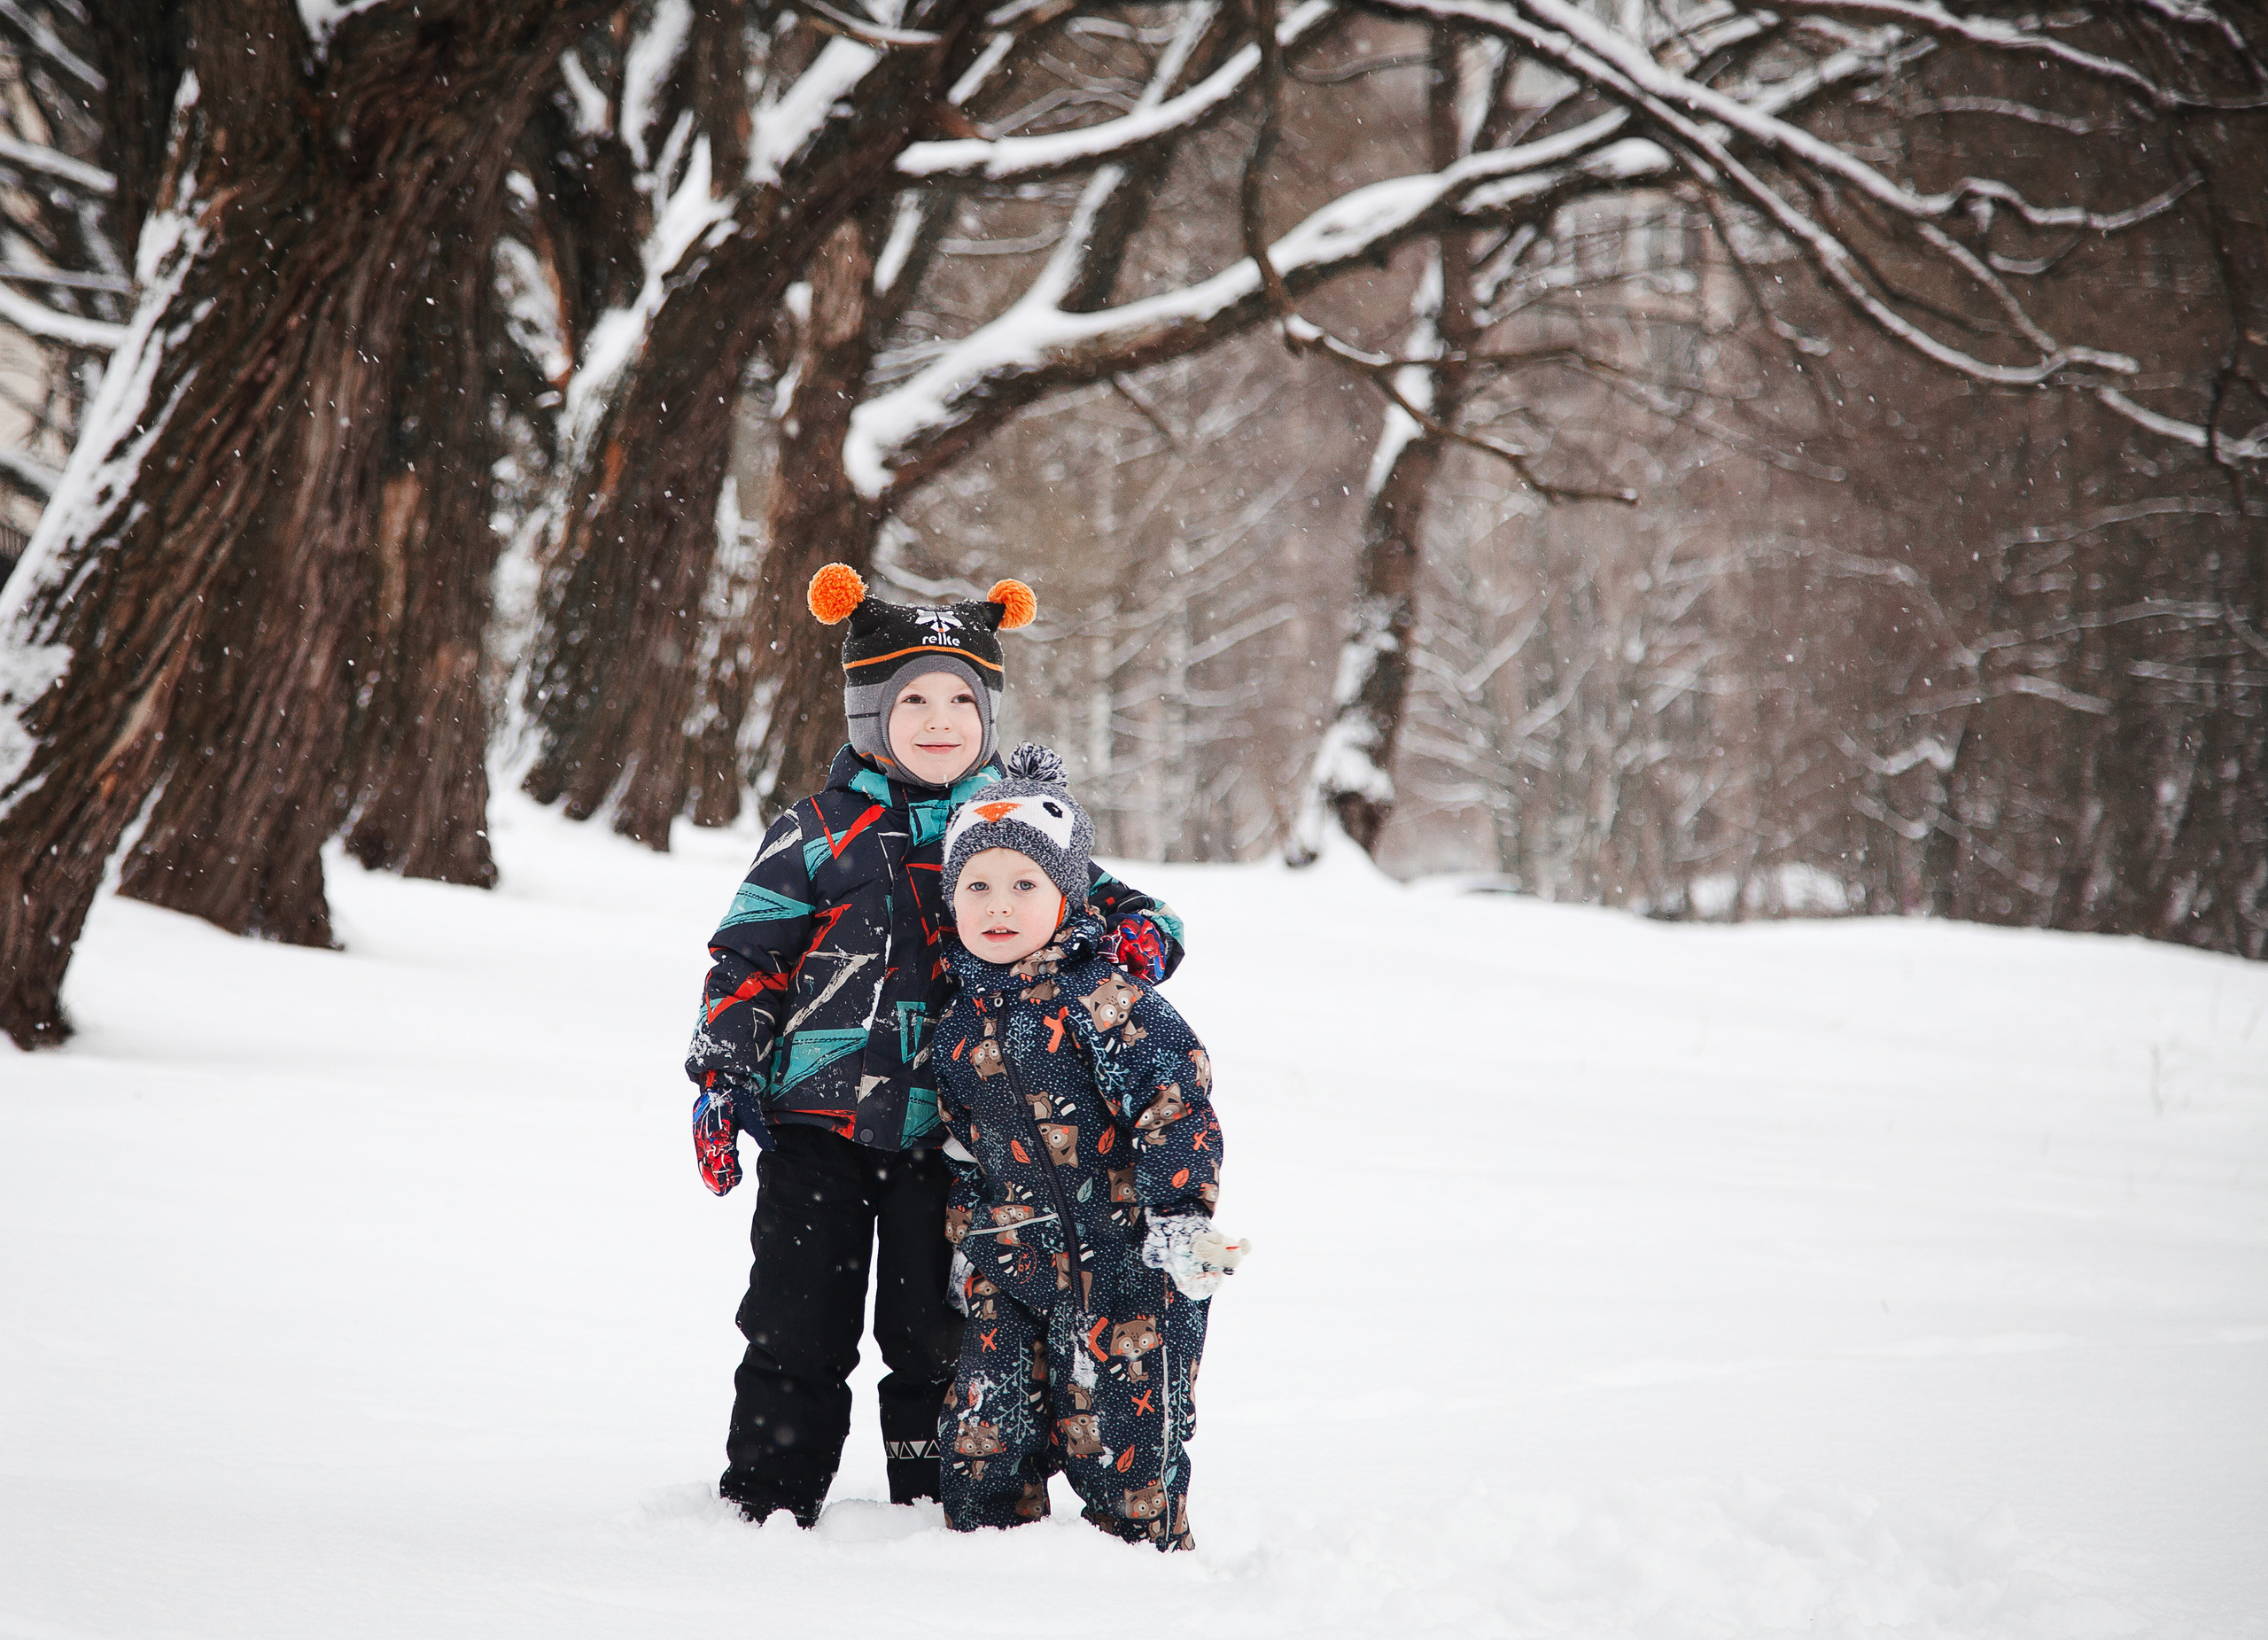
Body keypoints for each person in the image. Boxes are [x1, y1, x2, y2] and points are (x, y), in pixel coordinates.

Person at [686, 564, 1184, 1527]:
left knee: (937, 1326)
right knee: (797, 1319)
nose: (940, 718)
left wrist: (1127, 937)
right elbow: (747, 954)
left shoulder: (1009, 829)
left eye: (963, 697)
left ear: (990, 714)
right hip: (815, 1126)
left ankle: (932, 1494)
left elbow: (1119, 911)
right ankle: (770, 1494)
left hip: (960, 1136)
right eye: (910, 697)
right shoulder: (815, 832)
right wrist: (722, 1070)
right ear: (869, 711)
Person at [930, 744, 1246, 1551]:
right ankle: (981, 1555)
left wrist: (1179, 1215)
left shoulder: (1104, 998)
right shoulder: (958, 1023)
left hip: (1128, 1262)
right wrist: (968, 1241)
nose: (998, 906)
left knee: (1126, 1442)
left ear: (1069, 895)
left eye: (1024, 886)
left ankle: (1139, 1564)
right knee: (985, 1423)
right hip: (1013, 1257)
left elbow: (1175, 1104)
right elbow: (962, 1145)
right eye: (977, 887)